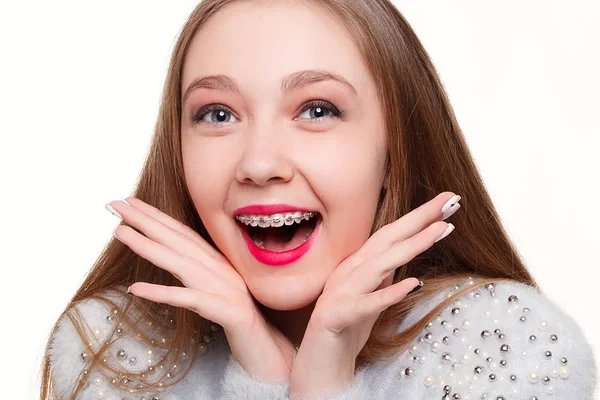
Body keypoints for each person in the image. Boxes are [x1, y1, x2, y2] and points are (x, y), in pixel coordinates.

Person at [40, 0, 597, 399]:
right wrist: (262, 376)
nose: (259, 164)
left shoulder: (505, 346)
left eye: (317, 110)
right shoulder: (116, 350)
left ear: (396, 148)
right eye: (218, 114)